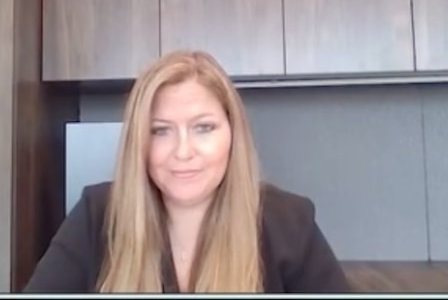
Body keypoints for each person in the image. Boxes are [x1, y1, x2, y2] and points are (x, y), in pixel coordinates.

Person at [24, 51, 351, 293]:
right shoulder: (97, 213)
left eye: (203, 128)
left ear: (232, 134)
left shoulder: (289, 222)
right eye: (160, 131)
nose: (183, 151)